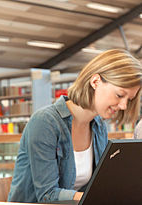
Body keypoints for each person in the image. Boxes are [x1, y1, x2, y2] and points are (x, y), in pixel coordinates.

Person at [8, 49, 142, 203]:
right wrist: (97, 197)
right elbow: (47, 195)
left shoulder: (98, 127)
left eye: (129, 99)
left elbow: (99, 184)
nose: (124, 106)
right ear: (95, 82)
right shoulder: (45, 122)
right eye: (119, 95)